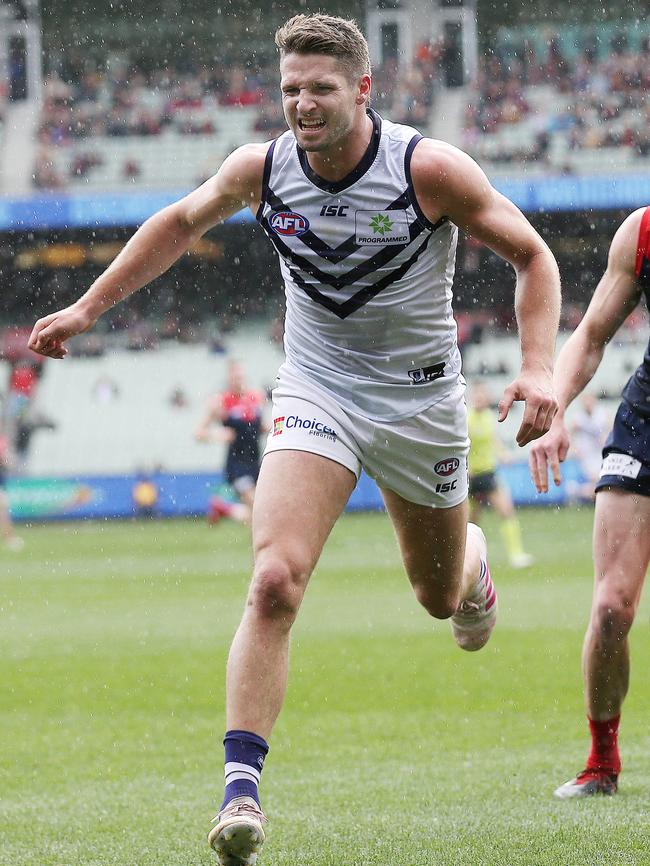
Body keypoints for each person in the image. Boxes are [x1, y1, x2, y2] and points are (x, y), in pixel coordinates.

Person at [28, 14, 560, 864]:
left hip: (420, 404)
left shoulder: (428, 169)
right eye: (289, 90)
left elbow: (535, 257)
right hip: (316, 390)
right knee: (274, 579)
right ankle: (242, 794)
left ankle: (470, 568)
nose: (302, 105)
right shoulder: (263, 169)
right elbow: (179, 220)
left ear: (361, 89)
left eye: (319, 88)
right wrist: (89, 308)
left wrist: (538, 371)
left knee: (433, 596)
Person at [529, 207, 650, 800]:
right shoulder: (643, 232)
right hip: (646, 423)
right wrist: (555, 407)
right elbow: (593, 335)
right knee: (611, 610)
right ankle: (602, 761)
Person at [467, 380, 534, 568]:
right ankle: (468, 559)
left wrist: (503, 453)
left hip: (489, 473)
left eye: (483, 397)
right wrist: (466, 467)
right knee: (471, 522)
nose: (480, 400)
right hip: (472, 476)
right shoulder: (467, 419)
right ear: (473, 398)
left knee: (506, 511)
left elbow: (493, 439)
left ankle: (516, 554)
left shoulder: (489, 417)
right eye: (478, 397)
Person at [195, 360, 266, 525]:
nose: (239, 381)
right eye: (235, 377)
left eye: (241, 377)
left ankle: (225, 509)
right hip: (237, 463)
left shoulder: (256, 398)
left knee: (257, 513)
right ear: (229, 379)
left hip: (256, 459)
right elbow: (198, 433)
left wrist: (266, 428)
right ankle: (260, 550)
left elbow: (259, 426)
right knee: (258, 508)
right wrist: (217, 435)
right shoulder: (221, 402)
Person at [566, 391, 610, 502]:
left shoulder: (601, 414)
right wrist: (573, 447)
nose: (587, 403)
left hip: (600, 453)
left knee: (600, 483)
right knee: (598, 482)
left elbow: (611, 429)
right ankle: (582, 493)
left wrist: (606, 438)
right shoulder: (578, 417)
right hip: (587, 455)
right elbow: (569, 432)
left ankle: (576, 491)